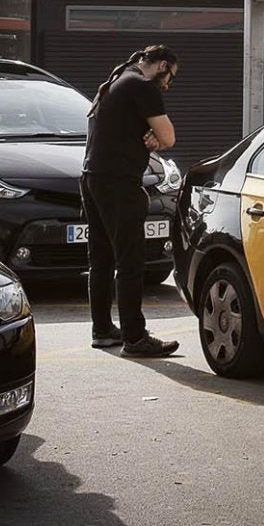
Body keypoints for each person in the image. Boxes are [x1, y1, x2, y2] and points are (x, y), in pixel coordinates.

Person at [85, 45, 181, 356]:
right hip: (117, 183)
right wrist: (157, 137)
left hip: (92, 178)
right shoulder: (142, 85)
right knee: (130, 263)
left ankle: (102, 330)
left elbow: (140, 133)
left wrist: (153, 136)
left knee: (101, 259)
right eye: (170, 77)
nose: (168, 85)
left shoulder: (116, 79)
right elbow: (168, 137)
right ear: (162, 65)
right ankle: (135, 338)